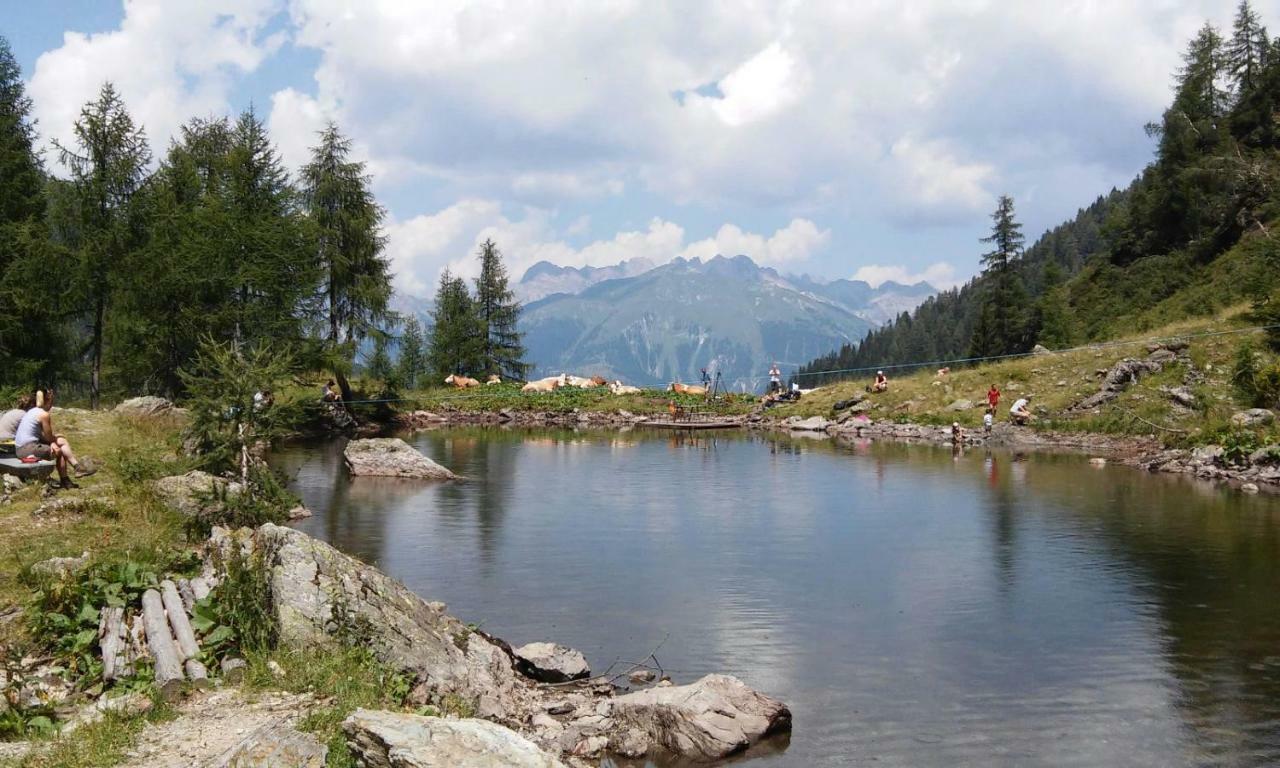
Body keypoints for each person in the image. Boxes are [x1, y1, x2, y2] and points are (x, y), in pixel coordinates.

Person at [14, 388, 95, 488]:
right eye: (51, 400)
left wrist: (54, 440)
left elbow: (42, 436)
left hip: (23, 446)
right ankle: (65, 481)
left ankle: (77, 467)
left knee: (61, 441)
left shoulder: (32, 411)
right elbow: (48, 437)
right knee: (58, 451)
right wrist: (52, 442)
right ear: (46, 400)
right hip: (26, 449)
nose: (52, 405)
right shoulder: (44, 414)